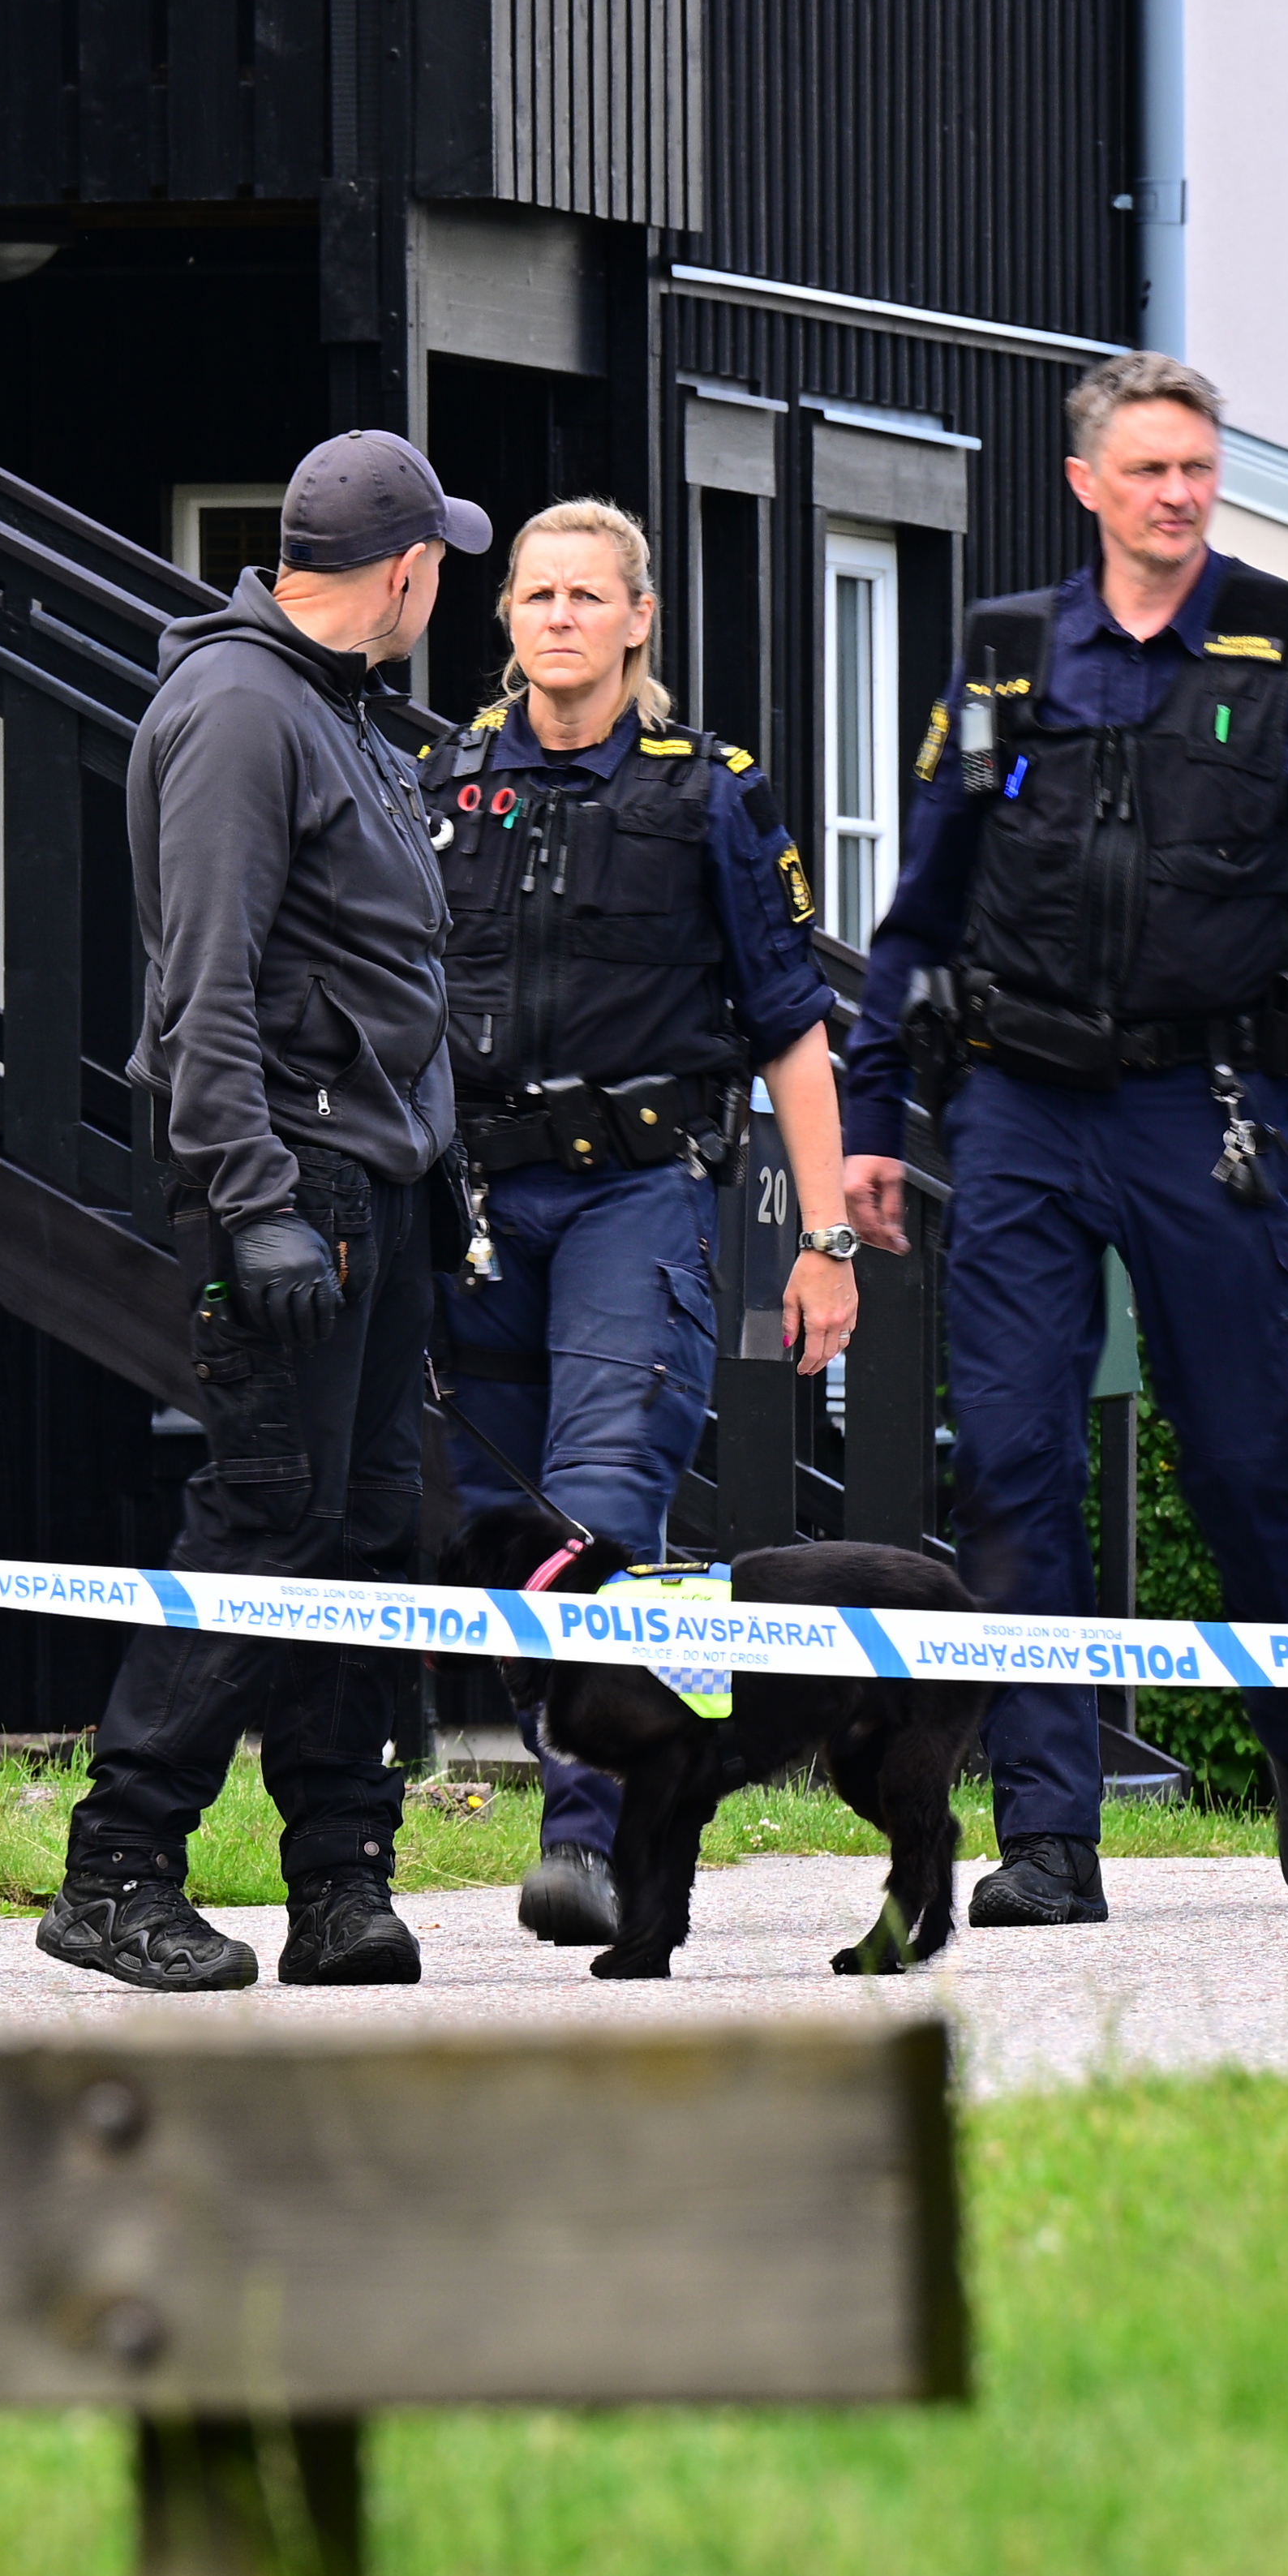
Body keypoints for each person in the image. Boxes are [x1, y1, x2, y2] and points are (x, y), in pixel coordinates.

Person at [843, 351, 1288, 1918]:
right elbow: (921, 905)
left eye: (1199, 467)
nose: (1180, 494)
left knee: (1255, 1459)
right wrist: (867, 1109)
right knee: (1010, 1461)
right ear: (1087, 487)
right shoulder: (1002, 661)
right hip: (1023, 1111)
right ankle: (1048, 1835)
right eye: (1149, 470)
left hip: (1212, 1113)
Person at [39, 424, 483, 1995]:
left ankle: (340, 1879)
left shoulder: (336, 710)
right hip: (294, 1183)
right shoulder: (241, 708)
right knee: (266, 1523)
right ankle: (119, 1868)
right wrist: (254, 1199)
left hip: (383, 1182)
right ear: (410, 568)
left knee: (366, 1532)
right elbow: (199, 984)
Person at [429, 498, 863, 1948]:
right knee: (490, 1520)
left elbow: (796, 1030)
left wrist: (826, 1239)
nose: (557, 615)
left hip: (639, 1192)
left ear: (637, 621)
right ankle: (571, 1775)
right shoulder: (442, 780)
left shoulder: (709, 792)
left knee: (597, 1507)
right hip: (476, 1202)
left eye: (584, 595)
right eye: (534, 594)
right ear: (508, 621)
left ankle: (586, 1835)